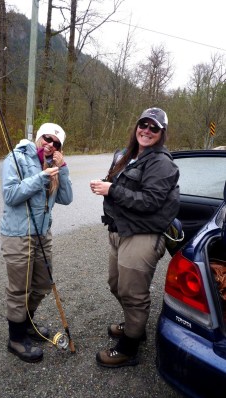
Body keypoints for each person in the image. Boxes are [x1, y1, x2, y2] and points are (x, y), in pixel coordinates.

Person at [90, 107, 180, 368]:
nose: (147, 131)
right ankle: (133, 323)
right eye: (144, 124)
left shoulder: (162, 163)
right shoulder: (126, 155)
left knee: (133, 293)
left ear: (162, 133)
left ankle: (130, 346)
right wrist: (105, 186)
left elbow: (150, 201)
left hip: (144, 234)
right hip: (120, 230)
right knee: (116, 285)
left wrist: (113, 190)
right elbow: (118, 187)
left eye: (154, 128)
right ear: (137, 126)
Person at [0, 123, 73, 363]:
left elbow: (66, 199)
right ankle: (16, 338)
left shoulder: (54, 164)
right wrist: (41, 177)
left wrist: (61, 169)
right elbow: (10, 195)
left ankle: (27, 321)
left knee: (42, 284)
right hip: (18, 234)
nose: (50, 144)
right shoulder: (17, 158)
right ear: (39, 136)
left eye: (56, 143)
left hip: (43, 235)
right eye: (47, 138)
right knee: (19, 289)